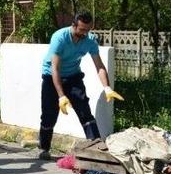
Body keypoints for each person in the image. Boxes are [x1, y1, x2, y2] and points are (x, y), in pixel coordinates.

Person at [37, 11, 124, 160]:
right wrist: (61, 96)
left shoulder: (90, 40)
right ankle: (44, 148)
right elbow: (55, 68)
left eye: (87, 30)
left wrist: (107, 88)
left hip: (73, 76)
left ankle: (98, 150)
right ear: (73, 25)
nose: (84, 33)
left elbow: (99, 66)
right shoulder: (60, 38)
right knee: (49, 116)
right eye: (81, 30)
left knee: (84, 111)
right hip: (52, 77)